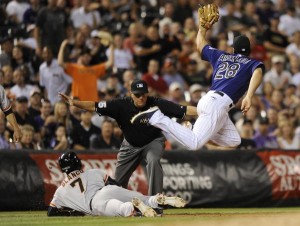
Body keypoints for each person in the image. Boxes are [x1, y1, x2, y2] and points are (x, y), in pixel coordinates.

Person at [131, 23, 264, 151]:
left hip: (211, 102)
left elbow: (201, 45)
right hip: (217, 106)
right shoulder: (251, 62)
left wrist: (202, 29)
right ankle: (157, 117)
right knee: (194, 144)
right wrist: (249, 96)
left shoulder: (222, 56)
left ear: (233, 49)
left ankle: (195, 130)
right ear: (249, 51)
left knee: (234, 141)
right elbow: (258, 72)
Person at [59, 79, 197, 196]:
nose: (141, 97)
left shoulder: (156, 103)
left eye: (143, 94)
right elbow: (95, 106)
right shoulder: (120, 105)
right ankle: (117, 204)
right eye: (137, 95)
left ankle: (156, 202)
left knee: (154, 160)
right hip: (130, 145)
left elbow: (183, 110)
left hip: (153, 141)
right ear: (131, 94)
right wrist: (74, 103)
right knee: (117, 183)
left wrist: (205, 111)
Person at [48, 152, 186, 217]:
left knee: (123, 209)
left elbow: (51, 212)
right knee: (144, 198)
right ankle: (154, 200)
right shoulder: (92, 172)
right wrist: (121, 193)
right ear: (77, 163)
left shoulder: (61, 191)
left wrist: (70, 213)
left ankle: (133, 207)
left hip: (95, 204)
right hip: (108, 189)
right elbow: (115, 184)